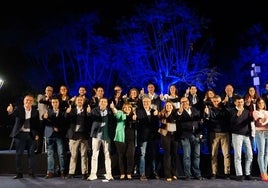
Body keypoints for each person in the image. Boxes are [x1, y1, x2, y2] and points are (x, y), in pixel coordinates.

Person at [7, 94, 40, 179]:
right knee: (19, 154)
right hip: (20, 134)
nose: (28, 102)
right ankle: (19, 173)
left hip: (30, 135)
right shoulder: (19, 109)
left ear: (33, 102)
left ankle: (31, 173)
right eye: (27, 100)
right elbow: (13, 116)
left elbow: (36, 125)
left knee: (31, 154)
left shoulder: (35, 111)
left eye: (30, 100)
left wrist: (36, 134)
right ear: (24, 101)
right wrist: (10, 111)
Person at [203, 95, 231, 180]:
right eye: (214, 101)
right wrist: (207, 114)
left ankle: (227, 173)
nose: (216, 103)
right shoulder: (209, 110)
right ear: (212, 101)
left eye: (218, 101)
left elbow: (228, 119)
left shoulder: (225, 109)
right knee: (213, 154)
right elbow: (206, 121)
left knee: (226, 154)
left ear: (220, 101)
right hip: (214, 134)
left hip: (224, 133)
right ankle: (214, 172)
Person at [87, 97, 114, 181]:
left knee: (107, 155)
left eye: (105, 102)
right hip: (96, 135)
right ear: (99, 103)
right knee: (94, 154)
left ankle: (109, 174)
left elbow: (112, 122)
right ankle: (93, 174)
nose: (103, 103)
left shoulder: (110, 111)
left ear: (107, 103)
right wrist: (88, 113)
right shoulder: (95, 110)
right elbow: (92, 118)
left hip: (106, 135)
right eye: (101, 101)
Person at [65, 96, 91, 180]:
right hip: (73, 135)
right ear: (75, 102)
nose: (80, 101)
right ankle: (71, 172)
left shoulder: (87, 111)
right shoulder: (72, 110)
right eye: (78, 100)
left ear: (83, 102)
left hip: (83, 135)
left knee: (84, 155)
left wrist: (89, 114)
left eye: (81, 100)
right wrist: (67, 113)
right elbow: (66, 120)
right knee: (73, 155)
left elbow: (90, 123)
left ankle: (84, 172)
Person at [177, 96, 203, 180]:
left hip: (196, 135)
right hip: (185, 136)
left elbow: (199, 123)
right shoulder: (178, 112)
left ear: (188, 101)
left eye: (186, 101)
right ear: (180, 103)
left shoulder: (194, 110)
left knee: (196, 155)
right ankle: (187, 174)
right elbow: (178, 120)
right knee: (187, 156)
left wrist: (200, 133)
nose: (185, 103)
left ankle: (197, 174)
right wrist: (180, 111)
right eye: (182, 102)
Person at [110, 102, 137, 180]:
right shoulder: (121, 113)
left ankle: (129, 173)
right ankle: (122, 173)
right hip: (120, 138)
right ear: (123, 109)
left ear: (131, 109)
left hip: (131, 139)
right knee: (121, 156)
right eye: (125, 108)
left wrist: (135, 120)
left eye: (129, 108)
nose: (127, 109)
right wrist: (112, 108)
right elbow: (116, 114)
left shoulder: (134, 116)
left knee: (130, 156)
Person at [229, 95, 253, 181]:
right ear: (235, 102)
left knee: (250, 155)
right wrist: (237, 115)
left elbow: (249, 123)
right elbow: (231, 124)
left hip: (246, 135)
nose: (240, 103)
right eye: (238, 102)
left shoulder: (247, 111)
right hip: (237, 135)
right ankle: (239, 174)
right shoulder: (232, 111)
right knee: (238, 155)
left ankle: (247, 173)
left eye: (242, 102)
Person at [136, 96, 159, 181]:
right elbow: (140, 124)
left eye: (147, 102)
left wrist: (156, 116)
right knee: (142, 155)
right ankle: (142, 173)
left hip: (152, 137)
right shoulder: (139, 111)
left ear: (150, 102)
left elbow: (156, 125)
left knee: (153, 155)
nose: (146, 103)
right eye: (144, 102)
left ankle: (153, 172)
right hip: (143, 137)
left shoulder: (154, 111)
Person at [42, 96, 66, 179]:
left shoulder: (63, 112)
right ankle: (50, 172)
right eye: (53, 102)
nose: (55, 104)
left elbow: (64, 123)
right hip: (49, 135)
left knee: (61, 154)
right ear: (51, 103)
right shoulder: (47, 111)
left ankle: (62, 171)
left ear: (59, 103)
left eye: (56, 102)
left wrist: (58, 127)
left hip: (59, 135)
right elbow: (45, 122)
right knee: (50, 154)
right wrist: (44, 118)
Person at [158, 101, 179, 182]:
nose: (168, 107)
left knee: (174, 154)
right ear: (165, 107)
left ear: (172, 106)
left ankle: (174, 173)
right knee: (167, 154)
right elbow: (158, 118)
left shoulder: (175, 114)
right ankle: (168, 174)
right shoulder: (162, 114)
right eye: (167, 105)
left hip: (174, 135)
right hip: (165, 135)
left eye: (170, 105)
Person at [252, 97, 268, 182]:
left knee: (267, 153)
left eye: (262, 103)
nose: (261, 104)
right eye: (259, 103)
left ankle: (265, 172)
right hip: (260, 133)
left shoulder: (267, 112)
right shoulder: (255, 112)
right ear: (257, 104)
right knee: (261, 153)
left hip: (267, 133)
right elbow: (259, 123)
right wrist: (265, 122)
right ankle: (263, 173)